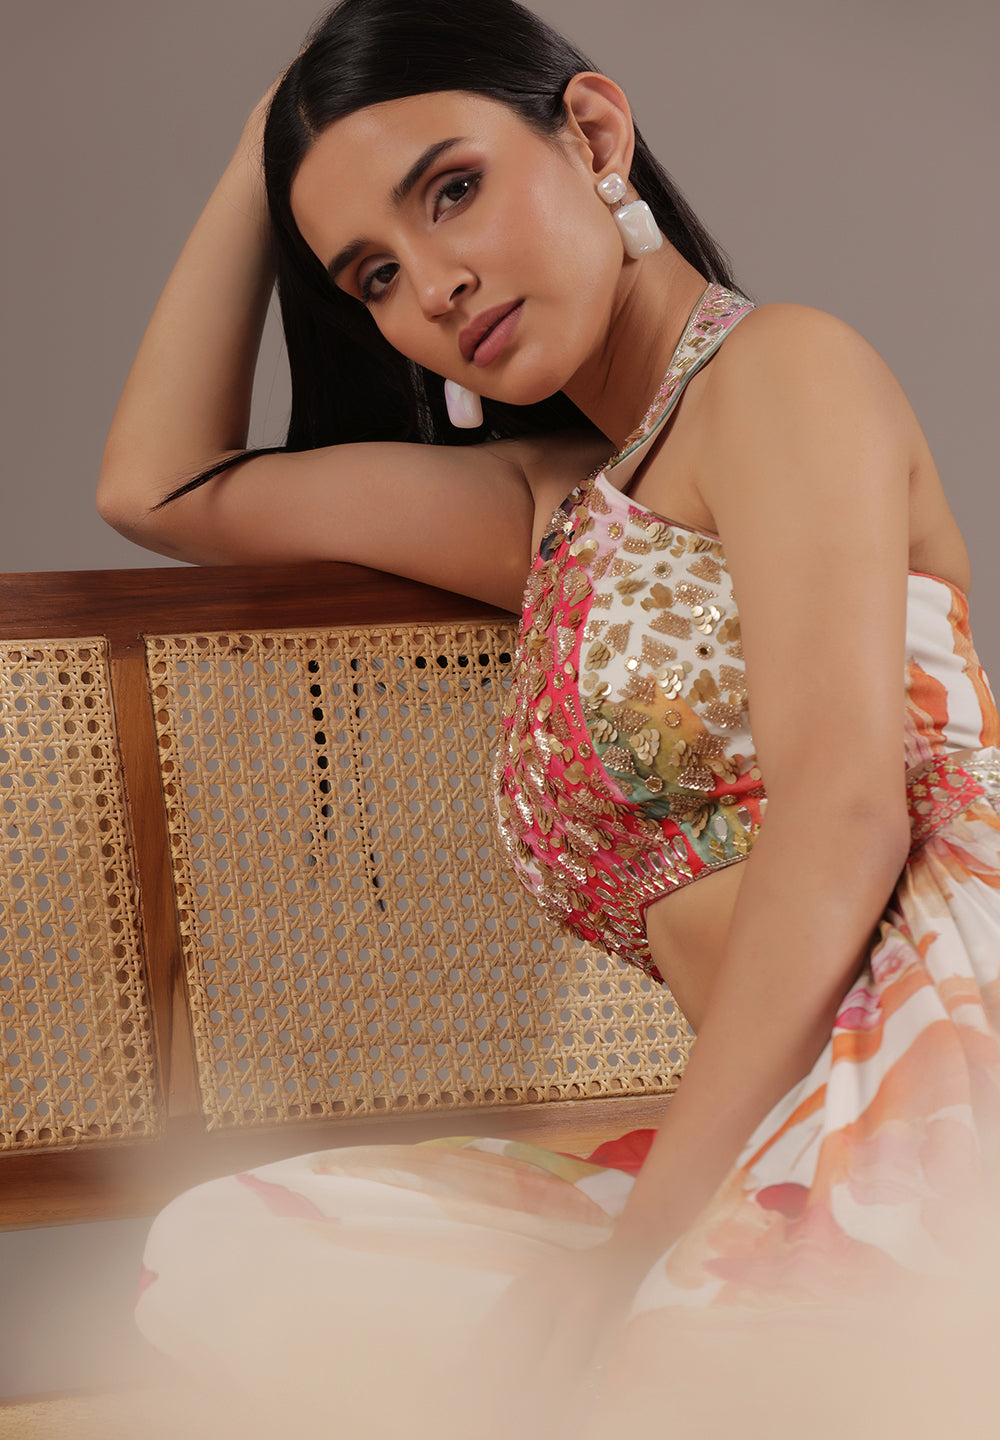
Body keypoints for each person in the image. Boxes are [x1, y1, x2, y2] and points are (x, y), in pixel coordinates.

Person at [98, 0, 1000, 1434]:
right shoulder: (555, 509)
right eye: (373, 272)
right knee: (227, 1246)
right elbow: (158, 486)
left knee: (668, 1368)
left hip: (940, 1080)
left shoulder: (784, 371)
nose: (433, 285)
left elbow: (844, 814)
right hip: (775, 1128)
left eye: (452, 189)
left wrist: (637, 1251)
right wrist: (270, 125)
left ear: (592, 133)